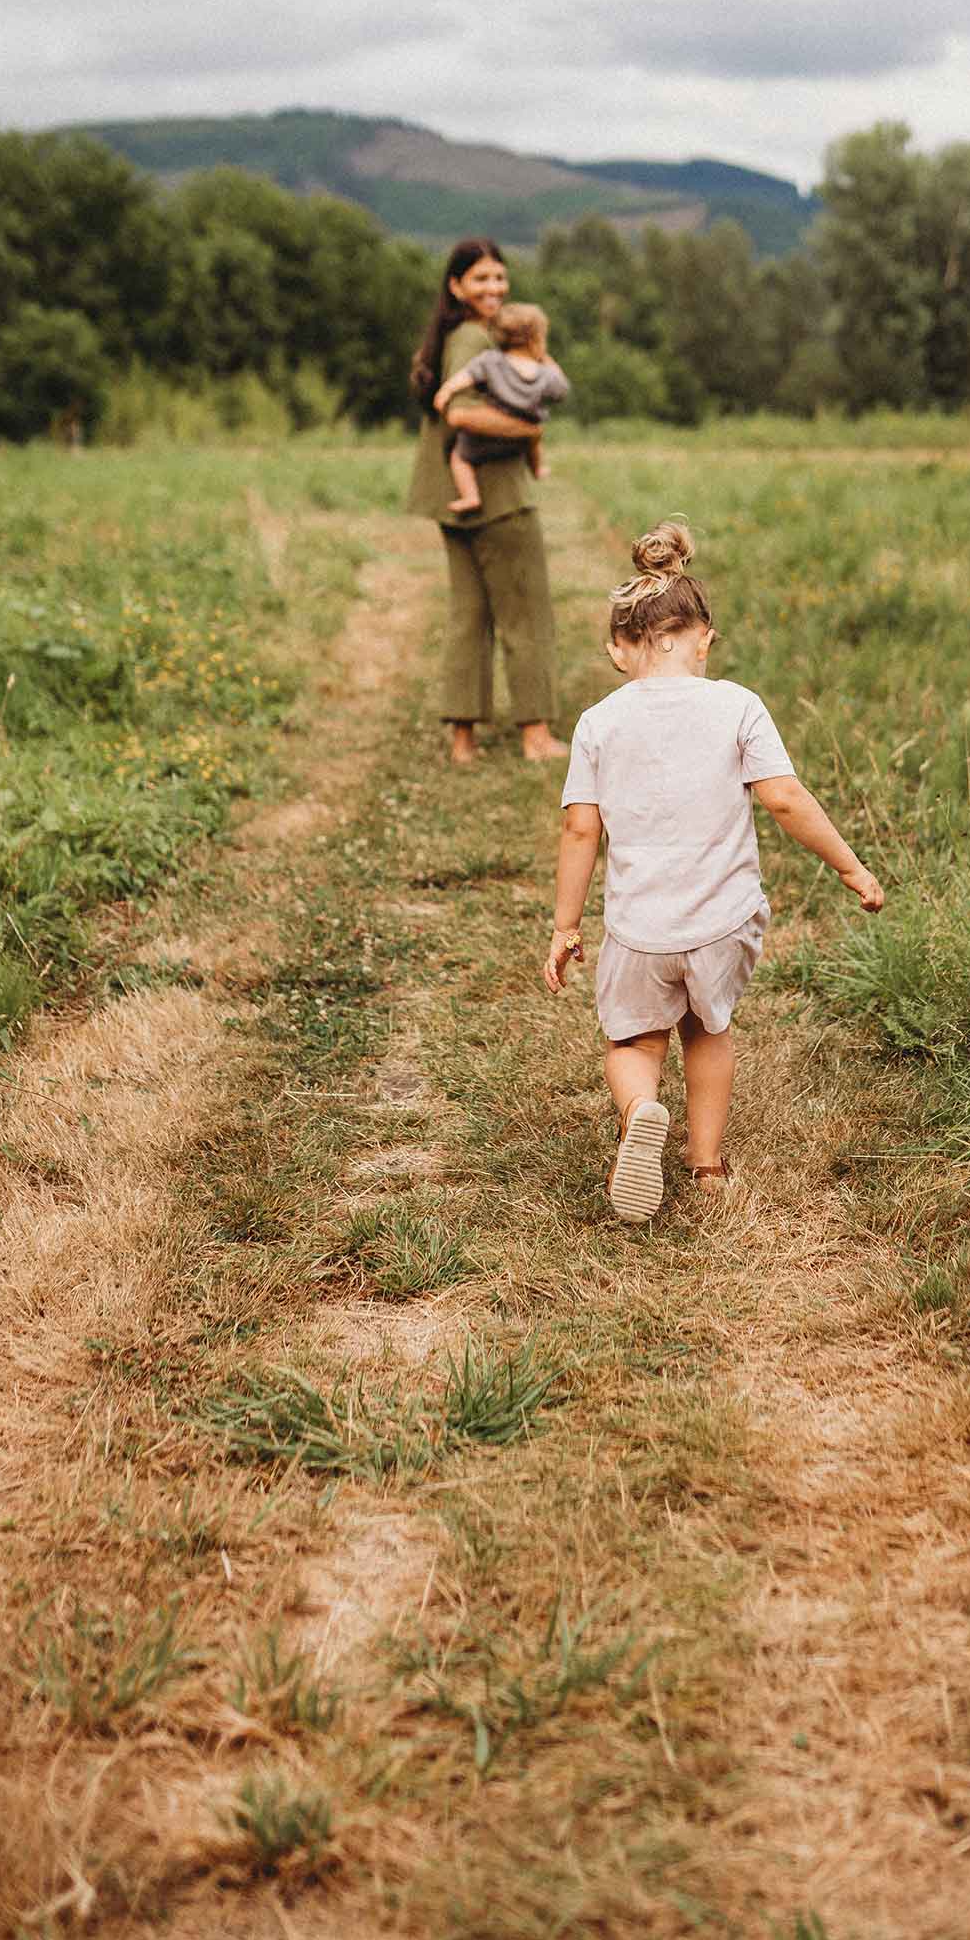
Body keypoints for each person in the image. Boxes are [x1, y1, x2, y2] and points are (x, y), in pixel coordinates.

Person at [544, 519, 884, 1222]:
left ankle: (641, 1108)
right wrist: (851, 868)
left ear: (619, 648)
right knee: (708, 1031)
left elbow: (581, 826)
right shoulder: (737, 706)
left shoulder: (598, 722)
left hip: (641, 929)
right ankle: (706, 1167)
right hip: (719, 925)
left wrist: (566, 925)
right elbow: (784, 799)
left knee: (633, 1042)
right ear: (703, 639)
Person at [407, 239, 567, 765]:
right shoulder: (479, 339)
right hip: (498, 498)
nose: (494, 288)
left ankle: (463, 741)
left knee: (470, 614)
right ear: (455, 286)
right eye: (480, 279)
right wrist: (528, 426)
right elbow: (461, 415)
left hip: (453, 496)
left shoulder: (455, 335)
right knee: (526, 611)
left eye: (500, 277)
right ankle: (536, 736)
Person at [431, 300, 567, 517]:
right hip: (522, 440)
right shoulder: (545, 373)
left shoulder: (491, 361)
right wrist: (546, 360)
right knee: (535, 435)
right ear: (536, 339)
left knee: (459, 457)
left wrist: (446, 390)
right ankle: (538, 468)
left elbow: (467, 376)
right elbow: (561, 390)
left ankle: (470, 496)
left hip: (487, 437)